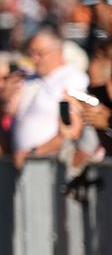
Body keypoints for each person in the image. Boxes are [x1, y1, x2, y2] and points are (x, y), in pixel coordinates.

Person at [13, 27, 86, 167]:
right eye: (31, 53)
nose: (34, 59)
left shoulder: (73, 79)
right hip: (24, 165)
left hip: (50, 166)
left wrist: (34, 153)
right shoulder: (31, 79)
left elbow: (71, 131)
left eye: (39, 53)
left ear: (57, 51)